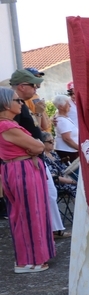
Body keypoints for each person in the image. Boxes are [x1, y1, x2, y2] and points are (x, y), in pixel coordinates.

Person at [0, 88, 55, 273]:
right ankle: (32, 261)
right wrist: (33, 148)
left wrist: (33, 148)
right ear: (6, 104)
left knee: (21, 214)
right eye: (17, 100)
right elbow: (38, 146)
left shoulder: (6, 125)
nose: (21, 103)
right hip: (22, 170)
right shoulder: (7, 126)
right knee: (31, 213)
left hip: (14, 169)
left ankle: (28, 260)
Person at [38, 132, 69, 239]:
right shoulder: (43, 157)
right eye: (50, 142)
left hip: (63, 179)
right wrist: (72, 182)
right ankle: (55, 230)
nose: (52, 144)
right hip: (59, 183)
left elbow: (63, 168)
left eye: (53, 141)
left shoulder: (54, 154)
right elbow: (53, 176)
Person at [8, 69, 45, 139]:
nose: (36, 87)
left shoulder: (20, 103)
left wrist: (39, 113)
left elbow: (34, 126)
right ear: (22, 87)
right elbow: (13, 134)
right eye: (33, 85)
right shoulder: (13, 105)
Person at [52, 95, 79, 162]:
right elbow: (66, 139)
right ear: (61, 106)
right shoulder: (62, 120)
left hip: (70, 150)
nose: (70, 105)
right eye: (67, 104)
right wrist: (79, 148)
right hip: (67, 151)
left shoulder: (64, 117)